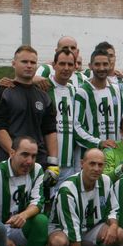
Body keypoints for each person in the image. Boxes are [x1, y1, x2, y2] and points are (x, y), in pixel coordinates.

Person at [47, 149, 122, 246]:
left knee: (119, 234)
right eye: (92, 164)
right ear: (82, 163)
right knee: (58, 243)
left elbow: (113, 209)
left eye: (100, 165)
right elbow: (72, 228)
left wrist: (113, 225)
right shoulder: (67, 189)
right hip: (62, 230)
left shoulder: (105, 181)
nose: (96, 168)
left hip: (90, 227)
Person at [0, 45, 59, 169]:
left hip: (38, 162)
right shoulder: (3, 92)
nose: (29, 65)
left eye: (33, 62)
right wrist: (15, 153)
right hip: (9, 161)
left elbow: (50, 130)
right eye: (24, 61)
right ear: (14, 63)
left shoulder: (44, 96)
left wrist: (53, 162)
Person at [73, 48, 123, 155]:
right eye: (97, 64)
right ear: (90, 66)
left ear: (110, 65)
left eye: (105, 64)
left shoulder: (117, 90)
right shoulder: (82, 92)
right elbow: (77, 127)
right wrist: (99, 142)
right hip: (92, 155)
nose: (101, 68)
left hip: (116, 154)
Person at [47, 47, 81, 180]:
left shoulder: (75, 91)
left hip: (69, 164)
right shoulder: (44, 87)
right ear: (54, 65)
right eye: (62, 64)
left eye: (70, 64)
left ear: (74, 68)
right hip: (48, 162)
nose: (66, 68)